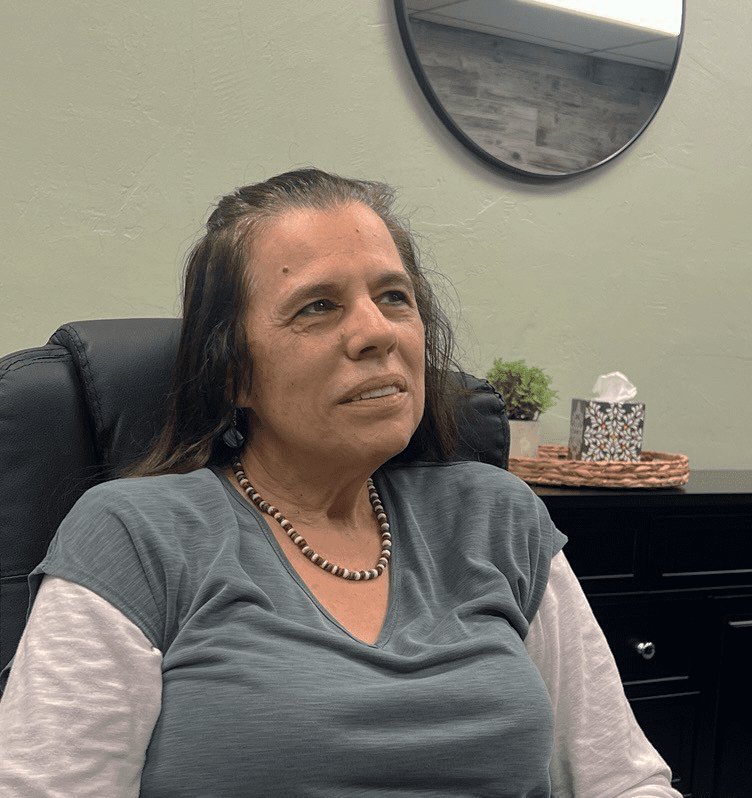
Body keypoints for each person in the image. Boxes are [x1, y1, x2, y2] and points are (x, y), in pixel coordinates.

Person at [0, 168, 681, 797]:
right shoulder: (134, 536)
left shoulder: (498, 516)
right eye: (318, 306)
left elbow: (622, 781)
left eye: (394, 297)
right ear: (234, 371)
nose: (376, 333)